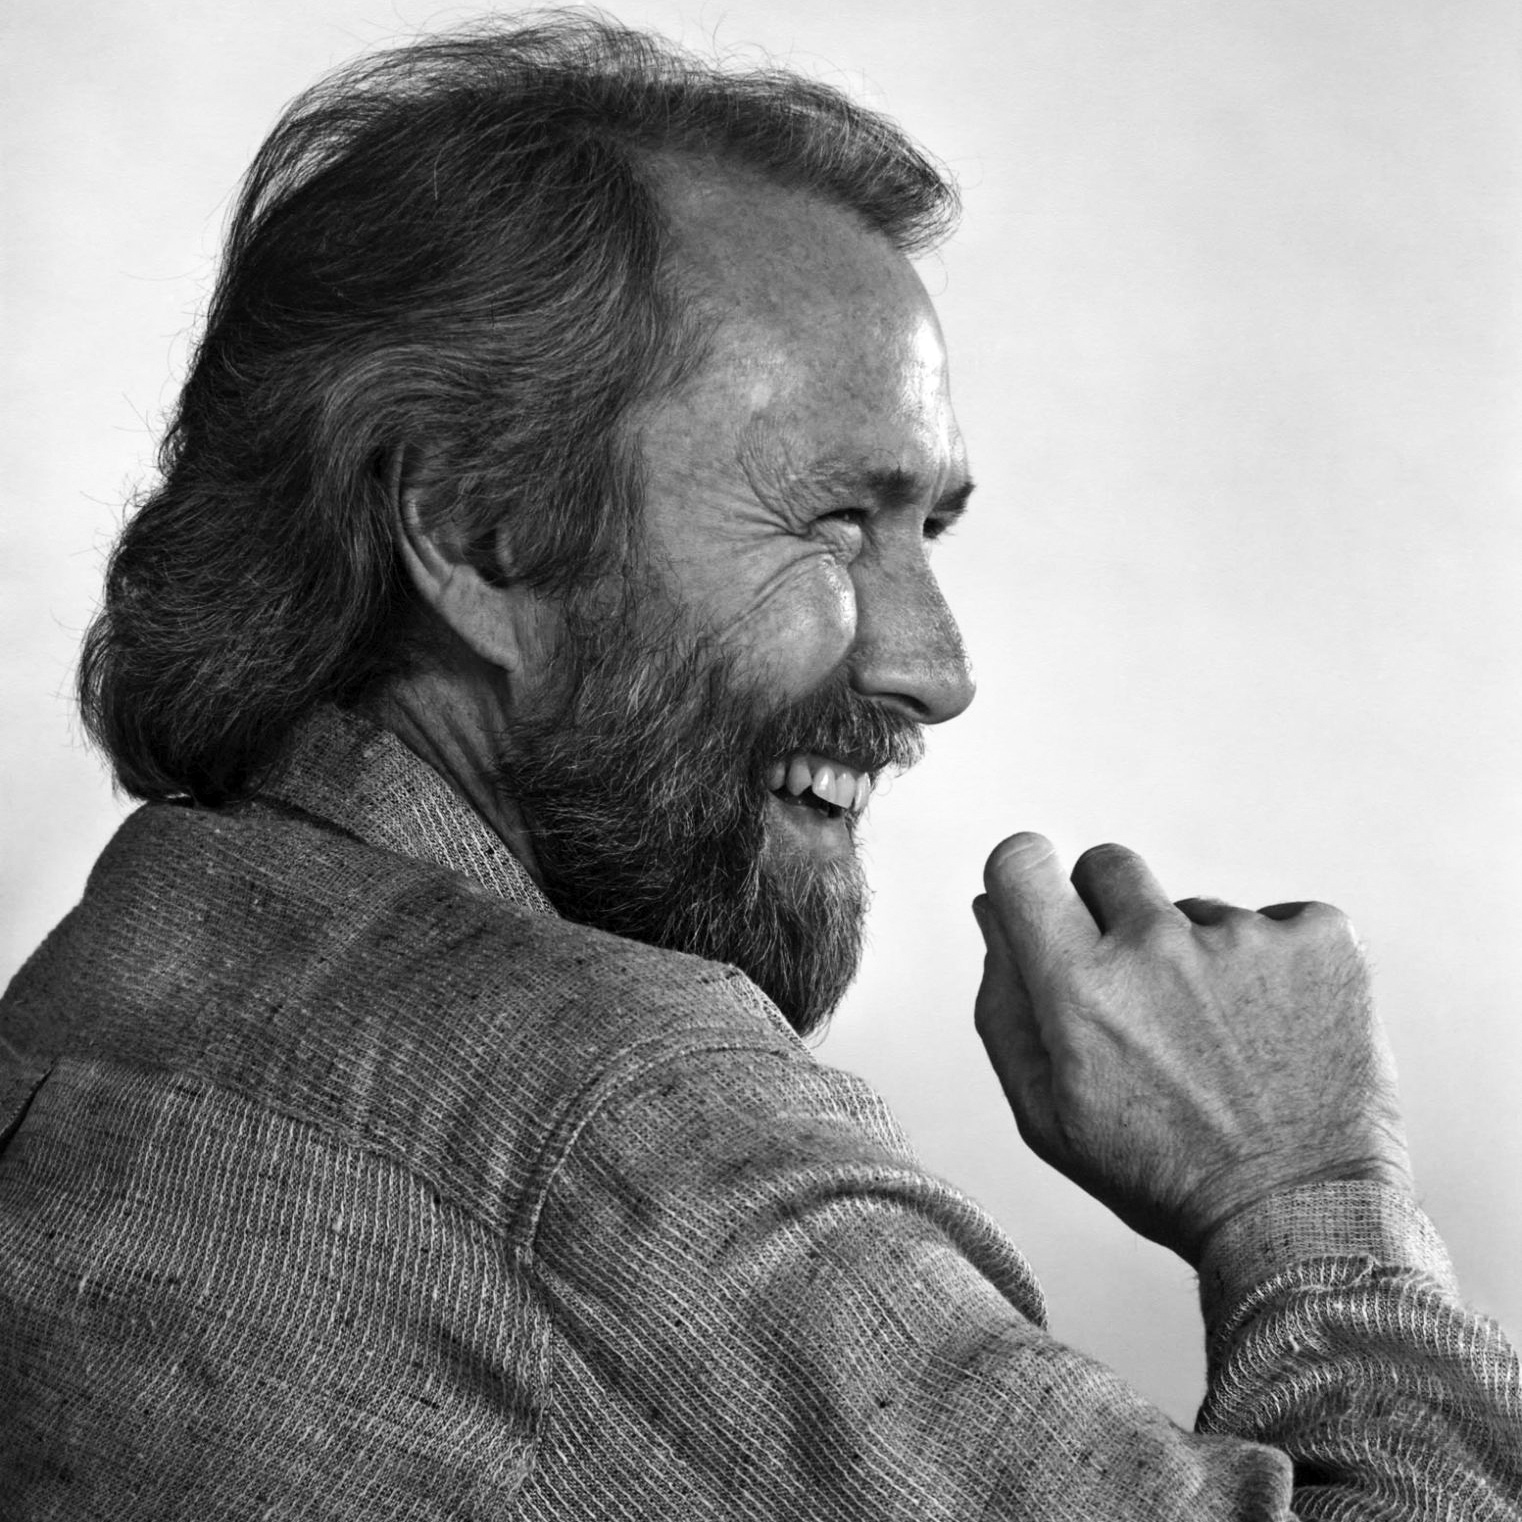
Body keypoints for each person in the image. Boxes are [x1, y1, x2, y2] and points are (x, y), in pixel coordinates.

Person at [1, 13, 1517, 1517]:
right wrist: (1306, 1196)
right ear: (471, 530)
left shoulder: (128, 954)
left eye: (932, 527)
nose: (934, 668)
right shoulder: (620, 1123)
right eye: (833, 521)